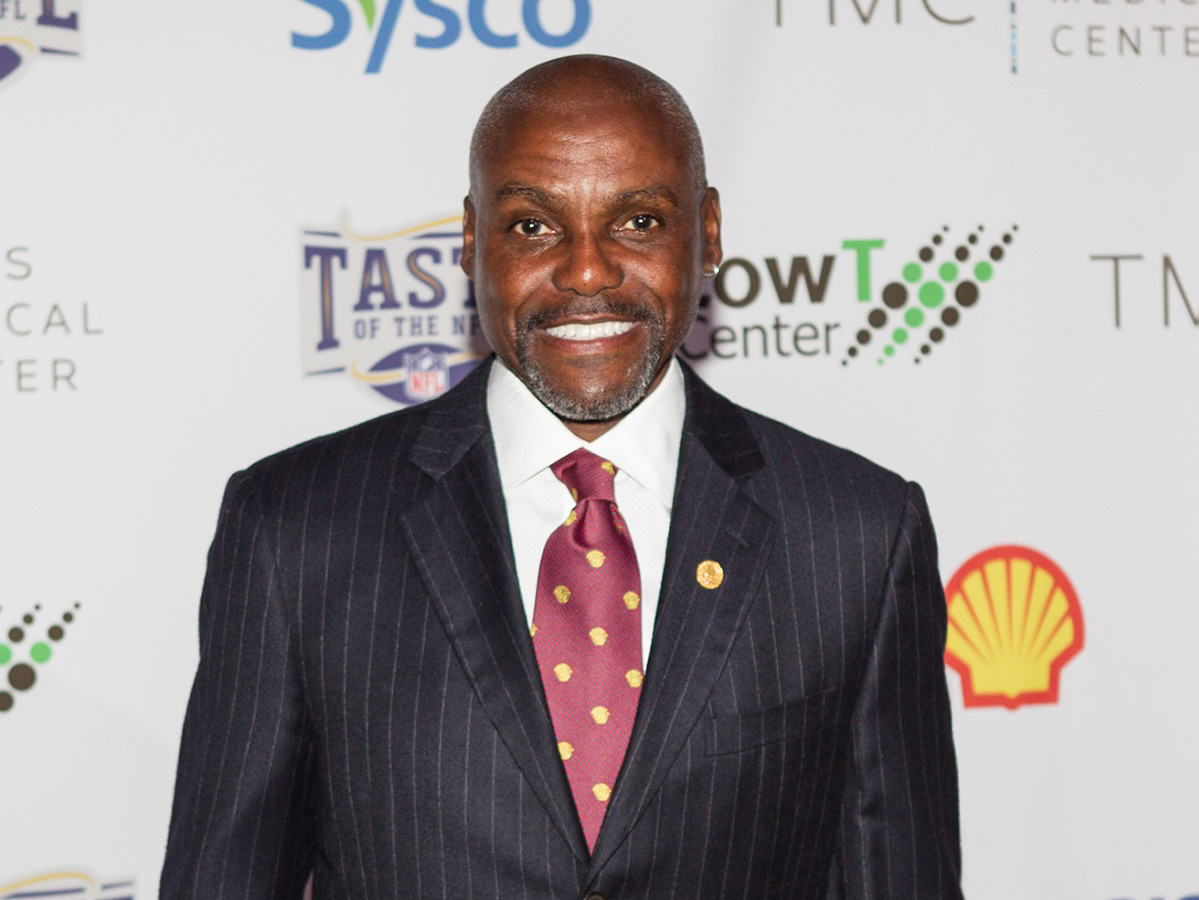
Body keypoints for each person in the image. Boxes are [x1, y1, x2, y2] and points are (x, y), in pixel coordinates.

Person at [160, 55, 963, 900]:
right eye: (532, 226)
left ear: (709, 231)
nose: (586, 271)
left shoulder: (856, 536)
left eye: (640, 221)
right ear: (471, 241)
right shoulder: (293, 529)